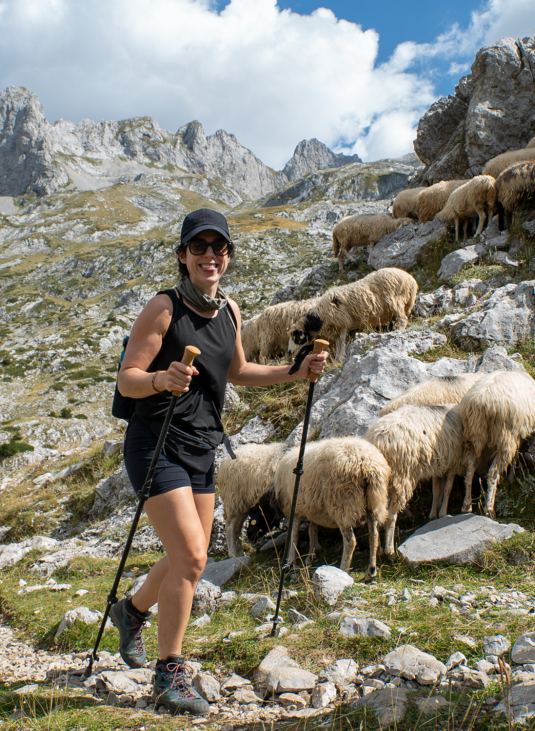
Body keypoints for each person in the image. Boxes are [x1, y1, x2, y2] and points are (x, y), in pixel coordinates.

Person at [113, 208, 327, 715]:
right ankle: (170, 674)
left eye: (219, 247)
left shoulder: (228, 310)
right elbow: (128, 378)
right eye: (199, 247)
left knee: (190, 554)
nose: (210, 255)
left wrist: (295, 372)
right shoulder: (163, 308)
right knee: (190, 556)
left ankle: (132, 611)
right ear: (183, 254)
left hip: (201, 445)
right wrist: (160, 379)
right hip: (155, 442)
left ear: (228, 256)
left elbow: (237, 371)